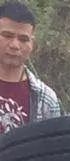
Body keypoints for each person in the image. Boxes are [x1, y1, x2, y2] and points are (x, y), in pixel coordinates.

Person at [0, 2, 59, 131]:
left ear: (32, 44)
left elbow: (53, 147)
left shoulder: (45, 99)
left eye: (23, 39)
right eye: (7, 36)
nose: (15, 45)